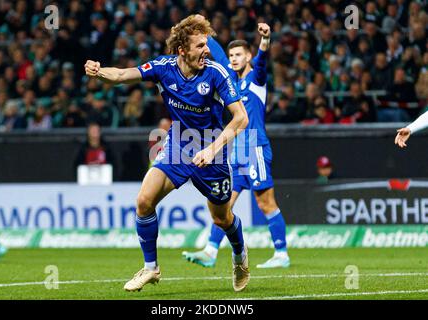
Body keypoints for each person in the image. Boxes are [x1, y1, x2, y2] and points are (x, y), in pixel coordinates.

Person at [84, 15, 250, 292]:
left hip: (212, 151)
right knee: (144, 201)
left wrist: (212, 149)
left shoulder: (216, 73)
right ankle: (151, 268)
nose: (206, 51)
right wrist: (100, 71)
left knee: (221, 218)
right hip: (179, 146)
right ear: (182, 50)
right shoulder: (163, 67)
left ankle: (239, 255)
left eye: (206, 45)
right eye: (199, 46)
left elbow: (241, 118)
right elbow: (124, 75)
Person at [182, 21, 290, 269]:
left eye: (238, 54)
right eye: (232, 55)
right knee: (224, 204)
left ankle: (282, 254)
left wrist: (265, 40)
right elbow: (217, 55)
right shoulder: (230, 79)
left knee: (265, 202)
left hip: (256, 147)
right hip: (238, 149)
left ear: (248, 56)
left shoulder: (256, 79)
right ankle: (210, 251)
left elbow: (262, 62)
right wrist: (201, 34)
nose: (233, 58)